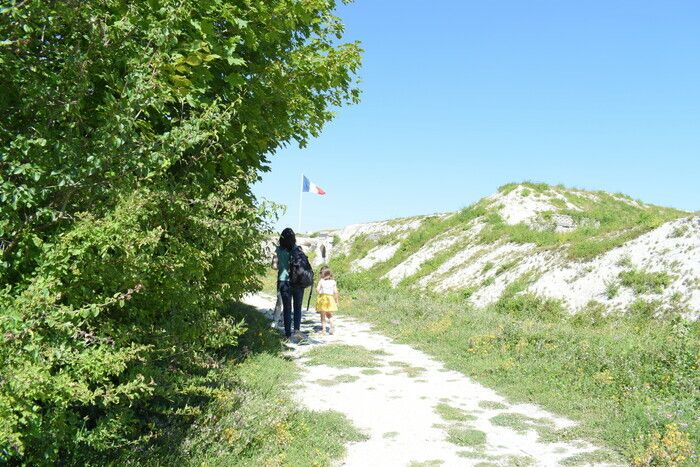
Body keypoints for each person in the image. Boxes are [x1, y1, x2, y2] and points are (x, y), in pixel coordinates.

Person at [275, 228, 304, 340]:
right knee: (297, 307)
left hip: (283, 282)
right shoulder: (298, 249)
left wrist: (282, 266)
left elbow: (274, 266)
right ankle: (296, 330)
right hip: (297, 281)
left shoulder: (278, 250)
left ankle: (287, 334)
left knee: (287, 308)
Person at [315, 266, 339, 335]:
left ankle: (324, 330)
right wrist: (336, 301)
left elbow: (317, 290)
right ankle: (331, 327)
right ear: (329, 274)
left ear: (322, 274)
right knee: (329, 315)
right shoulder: (333, 282)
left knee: (323, 315)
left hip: (323, 299)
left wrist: (320, 293)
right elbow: (336, 292)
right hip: (330, 299)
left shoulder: (321, 281)